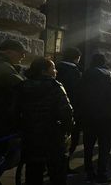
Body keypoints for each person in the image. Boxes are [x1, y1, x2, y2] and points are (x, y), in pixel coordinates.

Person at [17, 57, 73, 185]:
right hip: (53, 135)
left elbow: (15, 110)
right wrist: (67, 130)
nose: (55, 71)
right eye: (53, 68)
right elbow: (67, 112)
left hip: (30, 135)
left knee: (33, 171)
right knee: (57, 172)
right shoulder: (56, 87)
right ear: (44, 71)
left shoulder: (23, 86)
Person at [78, 54, 111, 183]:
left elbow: (80, 95)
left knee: (88, 146)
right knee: (104, 147)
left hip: (88, 116)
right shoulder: (108, 77)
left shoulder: (85, 75)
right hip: (105, 117)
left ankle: (89, 172)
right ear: (103, 62)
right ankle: (102, 173)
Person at [0, 40, 27, 178]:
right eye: (21, 53)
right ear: (8, 52)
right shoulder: (3, 67)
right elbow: (22, 88)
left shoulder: (1, 64)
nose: (23, 56)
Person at [55, 47, 82, 174]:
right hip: (70, 109)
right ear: (76, 57)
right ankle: (63, 166)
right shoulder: (74, 71)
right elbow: (77, 93)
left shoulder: (55, 67)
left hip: (54, 110)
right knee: (71, 139)